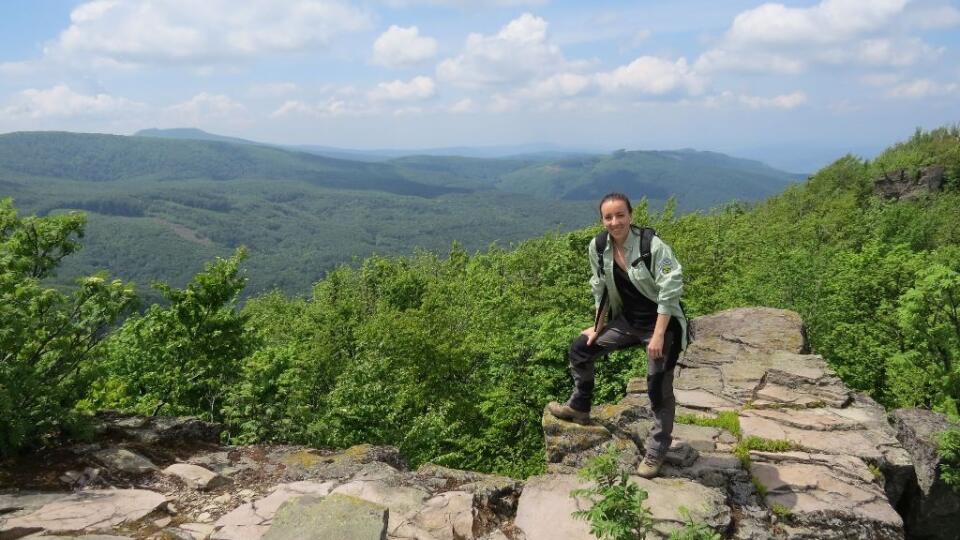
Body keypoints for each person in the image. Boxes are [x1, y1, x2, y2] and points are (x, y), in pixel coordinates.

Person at [547, 192, 689, 478]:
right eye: (608, 217)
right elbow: (599, 288)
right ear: (602, 220)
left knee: (657, 385)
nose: (615, 222)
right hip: (628, 322)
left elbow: (671, 289)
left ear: (631, 215)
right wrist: (597, 327)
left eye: (620, 215)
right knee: (580, 349)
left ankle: (657, 448)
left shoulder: (652, 246)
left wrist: (659, 334)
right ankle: (580, 406)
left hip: (662, 325)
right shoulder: (599, 247)